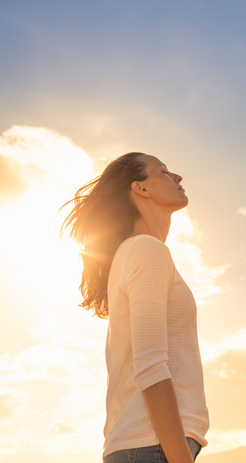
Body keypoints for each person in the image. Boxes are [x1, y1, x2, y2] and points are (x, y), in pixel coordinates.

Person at [61, 152, 209, 463]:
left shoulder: (133, 253)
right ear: (140, 188)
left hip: (145, 447)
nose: (178, 178)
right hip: (151, 448)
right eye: (165, 171)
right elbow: (151, 366)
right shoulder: (145, 250)